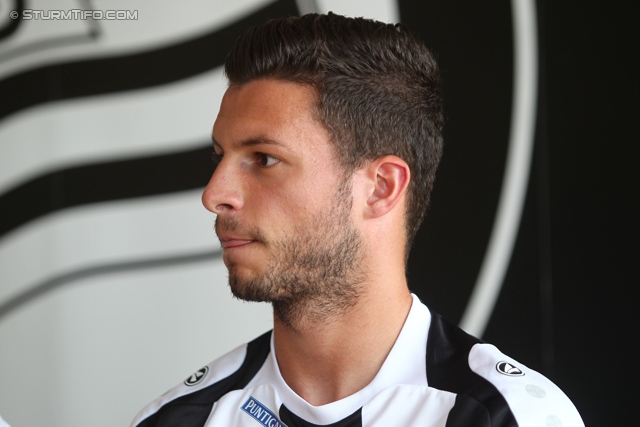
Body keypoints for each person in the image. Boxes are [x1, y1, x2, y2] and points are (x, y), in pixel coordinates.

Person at [130, 13, 583, 426]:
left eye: (264, 158)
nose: (214, 195)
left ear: (381, 187)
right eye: (220, 156)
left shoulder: (512, 417)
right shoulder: (179, 419)